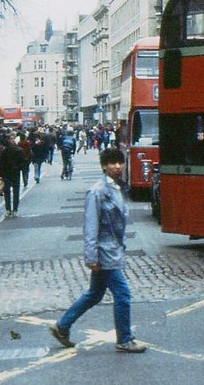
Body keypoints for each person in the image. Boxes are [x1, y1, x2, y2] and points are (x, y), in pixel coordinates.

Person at [49, 147, 146, 353]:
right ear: (103, 166)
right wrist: (91, 256)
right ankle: (125, 339)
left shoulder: (117, 189)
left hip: (112, 249)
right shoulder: (97, 192)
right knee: (123, 294)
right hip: (104, 253)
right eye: (112, 163)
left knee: (94, 294)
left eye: (120, 162)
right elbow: (90, 227)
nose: (117, 167)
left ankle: (62, 326)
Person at [0, 133, 24, 217]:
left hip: (14, 173)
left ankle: (14, 209)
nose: (12, 140)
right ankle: (8, 209)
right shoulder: (5, 150)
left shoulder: (19, 150)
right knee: (8, 191)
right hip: (8, 173)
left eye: (13, 138)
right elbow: (1, 162)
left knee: (15, 191)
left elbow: (22, 162)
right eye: (11, 138)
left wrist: (18, 168)